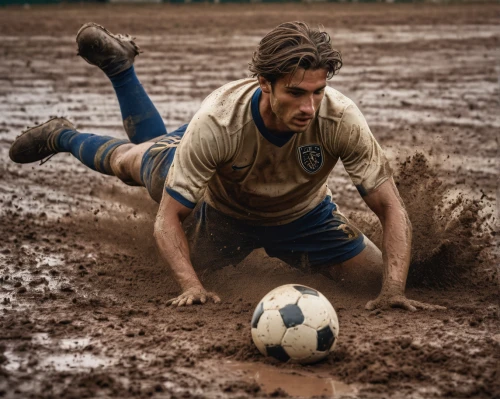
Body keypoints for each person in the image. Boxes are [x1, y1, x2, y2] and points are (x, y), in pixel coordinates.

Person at [9, 22, 444, 312]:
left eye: (318, 91)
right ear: (265, 84)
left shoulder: (339, 117)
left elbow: (391, 208)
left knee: (374, 284)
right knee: (132, 160)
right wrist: (191, 287)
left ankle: (122, 67)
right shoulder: (219, 120)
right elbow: (168, 219)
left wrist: (393, 290)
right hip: (218, 212)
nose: (309, 106)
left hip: (305, 217)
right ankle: (62, 134)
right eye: (295, 93)